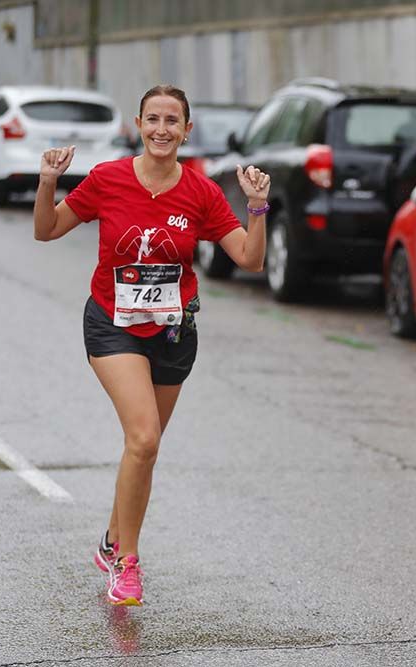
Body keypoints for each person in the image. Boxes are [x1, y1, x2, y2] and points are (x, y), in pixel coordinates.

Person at [33, 85, 269, 606]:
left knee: (146, 448)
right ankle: (127, 565)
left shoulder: (202, 192)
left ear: (187, 129)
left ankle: (110, 539)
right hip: (112, 324)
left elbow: (250, 259)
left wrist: (257, 207)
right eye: (153, 119)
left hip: (173, 331)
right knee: (143, 438)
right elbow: (46, 229)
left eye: (173, 121)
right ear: (139, 124)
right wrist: (48, 182)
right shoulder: (107, 179)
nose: (162, 130)